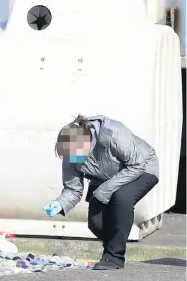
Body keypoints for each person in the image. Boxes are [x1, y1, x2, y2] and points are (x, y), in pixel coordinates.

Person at [43, 115, 159, 270]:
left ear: (87, 143)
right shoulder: (70, 153)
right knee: (96, 223)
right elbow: (73, 189)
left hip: (143, 167)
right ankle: (113, 245)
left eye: (76, 154)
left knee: (122, 198)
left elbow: (136, 165)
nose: (72, 159)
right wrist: (59, 203)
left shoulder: (113, 133)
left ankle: (114, 257)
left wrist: (104, 190)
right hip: (104, 178)